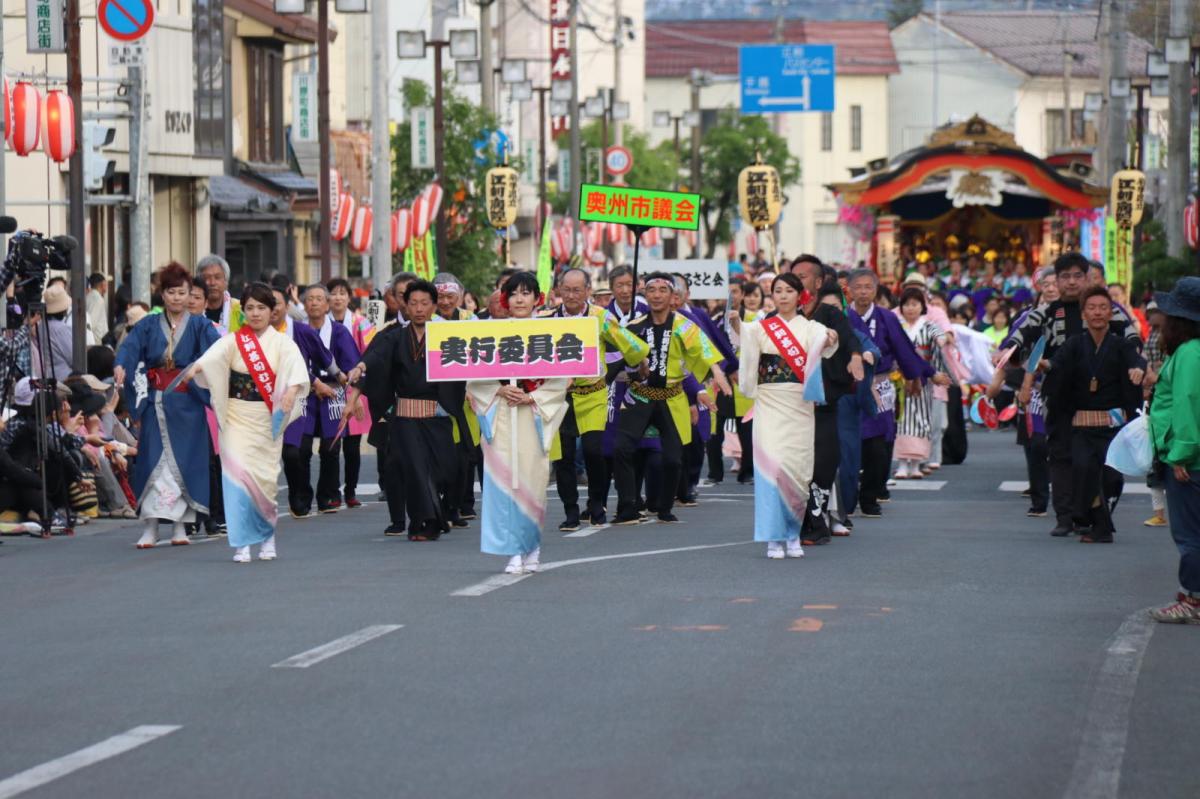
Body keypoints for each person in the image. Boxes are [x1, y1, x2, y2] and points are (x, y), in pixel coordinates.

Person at [1008, 253, 1140, 537]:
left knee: (1108, 462)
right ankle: (1066, 516)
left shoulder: (1106, 308)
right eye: (1064, 277)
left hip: (1105, 398)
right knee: (1061, 456)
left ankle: (1094, 513)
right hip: (1059, 395)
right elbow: (1020, 335)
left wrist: (1137, 366)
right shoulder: (1045, 311)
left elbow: (1132, 339)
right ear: (1056, 280)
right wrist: (1008, 352)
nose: (1071, 282)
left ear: (1087, 278)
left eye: (1077, 276)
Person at [187, 283, 309, 563]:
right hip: (236, 416)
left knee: (264, 481)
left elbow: (296, 373)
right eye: (250, 308)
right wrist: (196, 368)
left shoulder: (283, 343)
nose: (255, 313)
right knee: (236, 478)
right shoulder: (233, 340)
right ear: (243, 311)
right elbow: (211, 359)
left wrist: (290, 392)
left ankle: (267, 537)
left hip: (266, 417)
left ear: (271, 311)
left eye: (261, 308)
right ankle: (242, 542)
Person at [467, 272, 570, 574]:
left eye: (526, 293)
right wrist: (498, 389)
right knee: (502, 484)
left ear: (538, 298)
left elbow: (561, 379)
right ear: (505, 300)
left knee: (532, 482)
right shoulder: (490, 334)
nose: (520, 299)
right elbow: (474, 378)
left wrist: (532, 396)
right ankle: (512, 550)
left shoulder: (550, 333)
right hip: (501, 413)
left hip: (533, 414)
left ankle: (532, 546)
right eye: (513, 294)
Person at [114, 263, 221, 548]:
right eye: (171, 292)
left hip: (188, 404)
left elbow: (218, 353)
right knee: (153, 463)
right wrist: (121, 365)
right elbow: (129, 348)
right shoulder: (148, 325)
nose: (176, 298)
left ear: (190, 294)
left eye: (182, 292)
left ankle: (180, 527)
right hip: (156, 403)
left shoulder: (200, 325)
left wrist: (203, 369)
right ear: (162, 294)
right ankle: (150, 527)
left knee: (185, 465)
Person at [347, 279, 465, 539]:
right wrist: (361, 367)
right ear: (406, 306)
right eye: (413, 303)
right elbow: (376, 356)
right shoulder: (394, 336)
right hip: (405, 418)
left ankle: (431, 517)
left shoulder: (447, 336)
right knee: (415, 468)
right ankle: (425, 522)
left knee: (443, 470)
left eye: (424, 303)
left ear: (434, 305)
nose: (419, 309)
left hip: (437, 415)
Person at [612, 272, 730, 525]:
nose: (656, 295)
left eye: (662, 290)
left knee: (673, 458)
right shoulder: (635, 326)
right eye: (651, 290)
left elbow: (702, 348)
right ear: (645, 294)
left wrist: (718, 372)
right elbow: (620, 358)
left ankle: (664, 507)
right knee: (622, 449)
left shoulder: (683, 326)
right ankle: (627, 507)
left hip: (671, 397)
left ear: (672, 295)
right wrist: (636, 367)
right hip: (639, 396)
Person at [740, 273, 838, 558]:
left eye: (788, 290)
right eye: (778, 290)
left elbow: (826, 343)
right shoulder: (761, 327)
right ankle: (773, 538)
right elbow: (744, 336)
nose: (782, 296)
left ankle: (793, 533)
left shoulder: (811, 327)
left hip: (798, 404)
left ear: (799, 295)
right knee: (771, 468)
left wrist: (830, 338)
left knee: (797, 470)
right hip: (770, 401)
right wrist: (734, 322)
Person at [544, 268, 648, 530]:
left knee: (593, 451)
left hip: (593, 393)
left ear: (588, 291)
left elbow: (627, 341)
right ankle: (570, 510)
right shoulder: (546, 319)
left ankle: (596, 504)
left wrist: (640, 361)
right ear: (558, 290)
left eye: (577, 290)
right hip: (560, 396)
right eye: (566, 290)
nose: (571, 295)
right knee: (564, 456)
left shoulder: (600, 316)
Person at [1041, 286, 1146, 543]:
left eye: (1103, 308)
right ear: (1084, 314)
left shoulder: (1120, 345)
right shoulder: (1074, 344)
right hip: (1082, 426)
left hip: (1113, 427)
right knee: (1083, 469)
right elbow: (1057, 362)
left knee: (1112, 478)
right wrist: (1046, 365)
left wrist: (1137, 370)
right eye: (1092, 308)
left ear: (1111, 313)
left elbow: (1137, 360)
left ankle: (1098, 525)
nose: (1097, 312)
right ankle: (1098, 527)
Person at [846, 269, 934, 517]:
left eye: (868, 287)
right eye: (858, 287)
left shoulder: (886, 318)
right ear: (849, 290)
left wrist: (918, 375)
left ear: (876, 290)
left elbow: (904, 350)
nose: (863, 292)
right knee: (849, 443)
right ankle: (847, 499)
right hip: (849, 386)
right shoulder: (841, 317)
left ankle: (871, 496)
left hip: (880, 385)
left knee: (879, 445)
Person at [790, 256, 866, 544]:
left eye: (803, 276)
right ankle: (799, 523)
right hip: (792, 406)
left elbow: (850, 339)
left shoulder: (830, 314)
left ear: (819, 282)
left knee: (824, 464)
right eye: (792, 276)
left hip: (823, 403)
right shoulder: (781, 318)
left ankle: (817, 521)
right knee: (795, 465)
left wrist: (856, 357)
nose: (796, 282)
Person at [1145, 278, 1200, 621]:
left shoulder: (1189, 352)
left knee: (1190, 533)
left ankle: (1192, 600)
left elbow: (1188, 404)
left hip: (1188, 459)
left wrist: (1181, 454)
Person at [302, 284, 359, 512]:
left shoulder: (339, 332)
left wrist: (354, 396)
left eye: (319, 298)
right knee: (301, 448)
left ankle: (329, 494)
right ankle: (302, 496)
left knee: (330, 447)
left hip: (334, 390)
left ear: (327, 305)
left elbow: (351, 365)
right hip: (305, 391)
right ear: (304, 305)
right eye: (310, 299)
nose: (314, 303)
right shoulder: (297, 330)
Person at [894, 287, 953, 479]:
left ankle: (916, 464)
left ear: (922, 306)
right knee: (901, 420)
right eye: (907, 304)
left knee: (921, 420)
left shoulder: (929, 325)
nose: (910, 308)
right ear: (901, 307)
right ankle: (902, 464)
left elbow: (941, 336)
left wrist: (942, 339)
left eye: (915, 304)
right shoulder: (897, 325)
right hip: (900, 379)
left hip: (923, 379)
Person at [327, 277, 374, 508]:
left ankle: (351, 490)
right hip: (330, 389)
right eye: (333, 293)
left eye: (342, 293)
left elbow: (370, 354)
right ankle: (333, 492)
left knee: (353, 447)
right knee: (331, 445)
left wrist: (360, 390)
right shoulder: (320, 322)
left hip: (356, 389)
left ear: (349, 297)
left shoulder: (361, 323)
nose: (337, 298)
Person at [36, 283, 75, 380]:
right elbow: (73, 357)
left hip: (46, 375)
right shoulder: (61, 329)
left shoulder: (41, 326)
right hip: (64, 378)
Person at [86, 273, 109, 343]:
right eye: (106, 284)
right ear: (102, 284)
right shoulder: (97, 299)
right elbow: (92, 322)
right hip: (96, 339)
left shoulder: (89, 296)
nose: (107, 287)